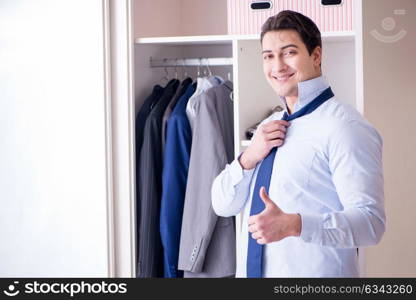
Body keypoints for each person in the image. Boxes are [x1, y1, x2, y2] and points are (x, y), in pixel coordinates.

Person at [211, 10, 386, 278]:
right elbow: (223, 205)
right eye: (268, 56)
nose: (277, 66)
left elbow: (371, 224)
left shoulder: (345, 127)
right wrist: (248, 158)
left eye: (288, 52)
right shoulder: (266, 130)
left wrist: (296, 225)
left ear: (316, 56)